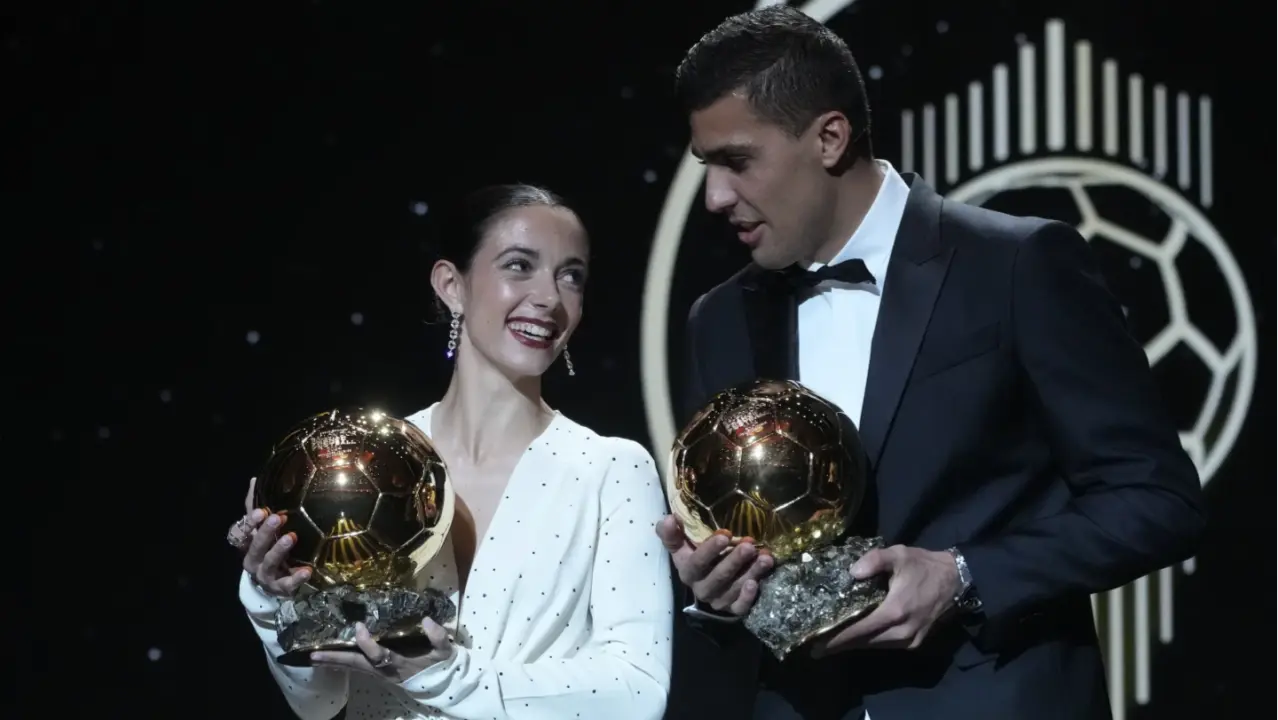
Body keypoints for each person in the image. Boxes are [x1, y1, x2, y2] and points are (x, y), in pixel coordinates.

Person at [654, 6, 1206, 720]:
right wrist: (719, 594)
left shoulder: (1016, 266)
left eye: (736, 161)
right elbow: (756, 575)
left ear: (828, 137)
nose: (715, 197)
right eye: (707, 167)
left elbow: (1156, 501)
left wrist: (963, 576)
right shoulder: (719, 319)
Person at [226, 184, 674, 720]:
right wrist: (275, 599)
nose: (550, 297)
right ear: (451, 285)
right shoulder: (366, 465)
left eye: (570, 275)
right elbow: (319, 702)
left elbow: (637, 691)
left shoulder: (612, 470)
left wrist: (446, 677)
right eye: (519, 266)